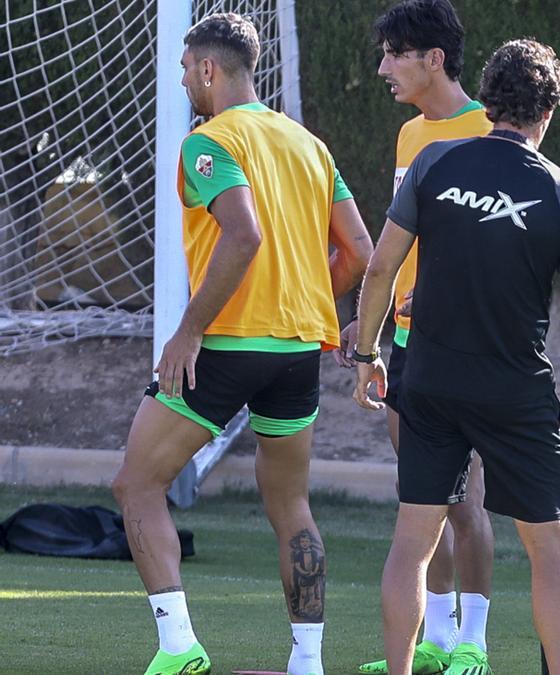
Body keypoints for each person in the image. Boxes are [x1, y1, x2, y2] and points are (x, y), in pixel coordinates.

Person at [111, 13, 372, 675]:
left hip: (225, 343)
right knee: (291, 503)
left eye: (185, 69)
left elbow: (244, 235)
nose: (184, 82)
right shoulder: (311, 146)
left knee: (138, 484)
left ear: (207, 68)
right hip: (295, 355)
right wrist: (318, 299)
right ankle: (307, 662)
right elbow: (362, 253)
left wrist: (189, 327)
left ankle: (179, 649)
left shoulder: (209, 143)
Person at [352, 39, 560, 675]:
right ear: (549, 113)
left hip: (430, 379)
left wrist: (366, 353)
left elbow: (380, 270)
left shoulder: (434, 162)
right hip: (516, 390)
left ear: (488, 103)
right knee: (549, 549)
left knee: (411, 543)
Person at [334, 3, 497, 673]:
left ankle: (476, 643)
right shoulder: (407, 136)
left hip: (474, 346)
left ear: (433, 58)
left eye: (392, 54)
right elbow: (398, 242)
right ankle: (432, 638)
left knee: (466, 502)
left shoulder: (491, 130)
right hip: (408, 341)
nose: (380, 68)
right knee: (422, 496)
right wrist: (367, 330)